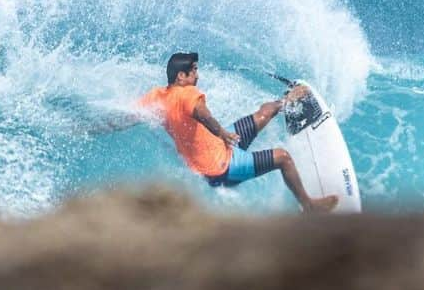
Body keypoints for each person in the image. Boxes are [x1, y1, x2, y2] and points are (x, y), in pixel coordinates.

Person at [136, 52, 338, 213]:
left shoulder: (157, 96)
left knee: (265, 111)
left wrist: (106, 125)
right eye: (194, 71)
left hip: (220, 146)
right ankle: (310, 205)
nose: (197, 76)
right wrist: (223, 133)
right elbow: (203, 114)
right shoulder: (188, 93)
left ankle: (287, 101)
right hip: (222, 168)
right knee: (283, 158)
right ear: (181, 76)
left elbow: (131, 114)